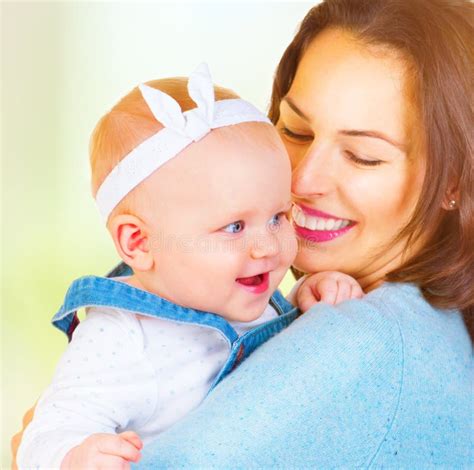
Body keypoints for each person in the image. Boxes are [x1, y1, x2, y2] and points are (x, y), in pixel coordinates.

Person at [124, 0, 471, 467]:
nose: (303, 180)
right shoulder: (428, 329)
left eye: (362, 156)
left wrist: (39, 450)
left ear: (454, 181)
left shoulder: (362, 341)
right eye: (295, 131)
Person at [15, 64, 362, 469]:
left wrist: (303, 302)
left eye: (278, 216)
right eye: (234, 226)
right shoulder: (121, 337)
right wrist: (72, 456)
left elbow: (270, 354)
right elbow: (45, 430)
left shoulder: (238, 292)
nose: (267, 245)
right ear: (138, 242)